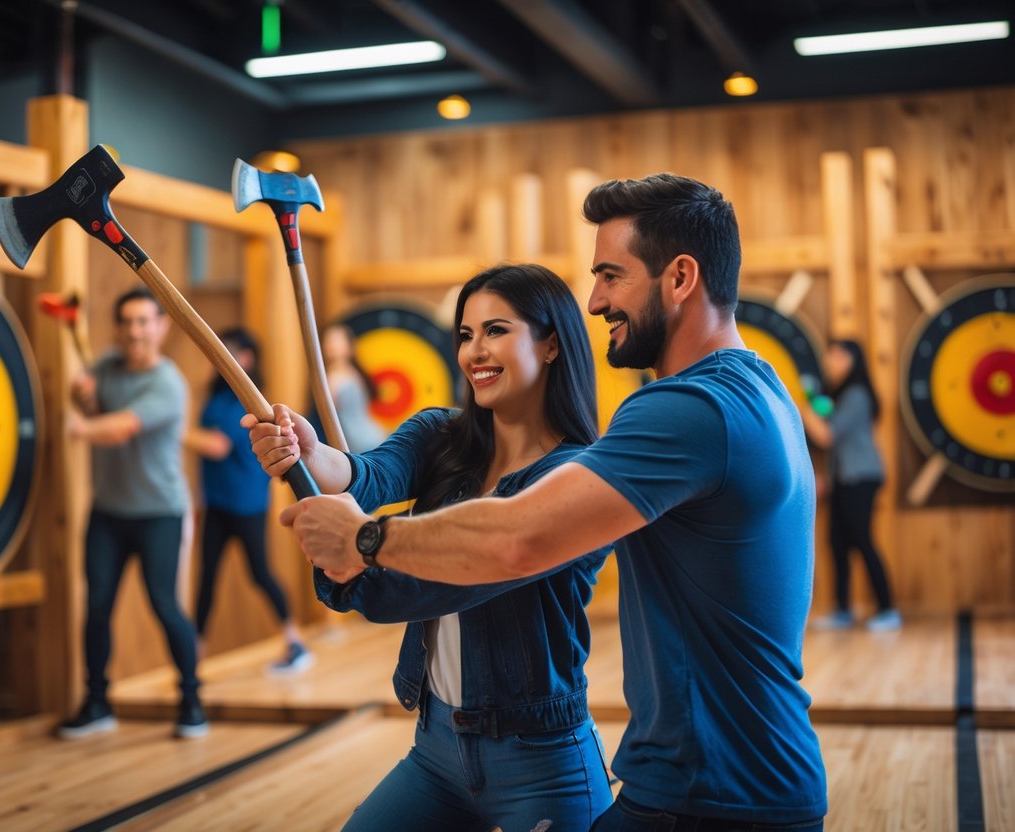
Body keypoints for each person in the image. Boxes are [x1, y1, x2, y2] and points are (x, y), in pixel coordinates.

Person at [271, 174, 828, 829]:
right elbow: (369, 475)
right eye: (466, 333)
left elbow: (516, 539)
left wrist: (367, 542)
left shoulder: (687, 409)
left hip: (714, 797)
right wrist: (316, 464)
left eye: (611, 276)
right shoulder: (756, 389)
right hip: (706, 785)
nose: (594, 301)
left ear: (679, 278)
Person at [246, 264, 614, 831]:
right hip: (438, 751)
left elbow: (432, 583)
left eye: (496, 330)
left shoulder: (576, 478)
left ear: (550, 345)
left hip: (543, 761)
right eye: (466, 335)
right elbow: (368, 474)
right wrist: (308, 452)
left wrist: (354, 551)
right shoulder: (441, 434)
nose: (474, 352)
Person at [58, 286, 206, 740]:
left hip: (161, 512)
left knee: (165, 605)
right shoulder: (104, 365)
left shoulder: (168, 384)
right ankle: (97, 702)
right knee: (96, 606)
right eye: (128, 322)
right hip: (108, 512)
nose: (136, 331)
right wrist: (80, 395)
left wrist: (80, 427)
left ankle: (191, 701)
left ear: (161, 327)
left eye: (145, 321)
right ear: (119, 328)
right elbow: (93, 401)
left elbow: (122, 427)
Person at [185, 327, 313, 675]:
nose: (222, 358)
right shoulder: (215, 395)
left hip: (246, 503)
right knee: (207, 579)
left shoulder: (246, 398)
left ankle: (295, 641)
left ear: (247, 358)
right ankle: (192, 662)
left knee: (260, 573)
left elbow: (218, 445)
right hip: (216, 503)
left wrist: (174, 430)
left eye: (231, 351)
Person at [802, 338, 901, 632]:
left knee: (862, 539)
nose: (829, 361)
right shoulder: (840, 393)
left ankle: (888, 608)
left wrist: (801, 409)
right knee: (837, 543)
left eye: (834, 355)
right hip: (843, 479)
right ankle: (842, 610)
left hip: (861, 477)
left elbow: (827, 436)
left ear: (850, 360)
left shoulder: (857, 394)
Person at [322, 323, 387, 453]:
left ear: (348, 344)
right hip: (359, 438)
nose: (331, 345)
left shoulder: (340, 375)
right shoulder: (349, 372)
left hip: (360, 440)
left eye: (337, 341)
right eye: (329, 340)